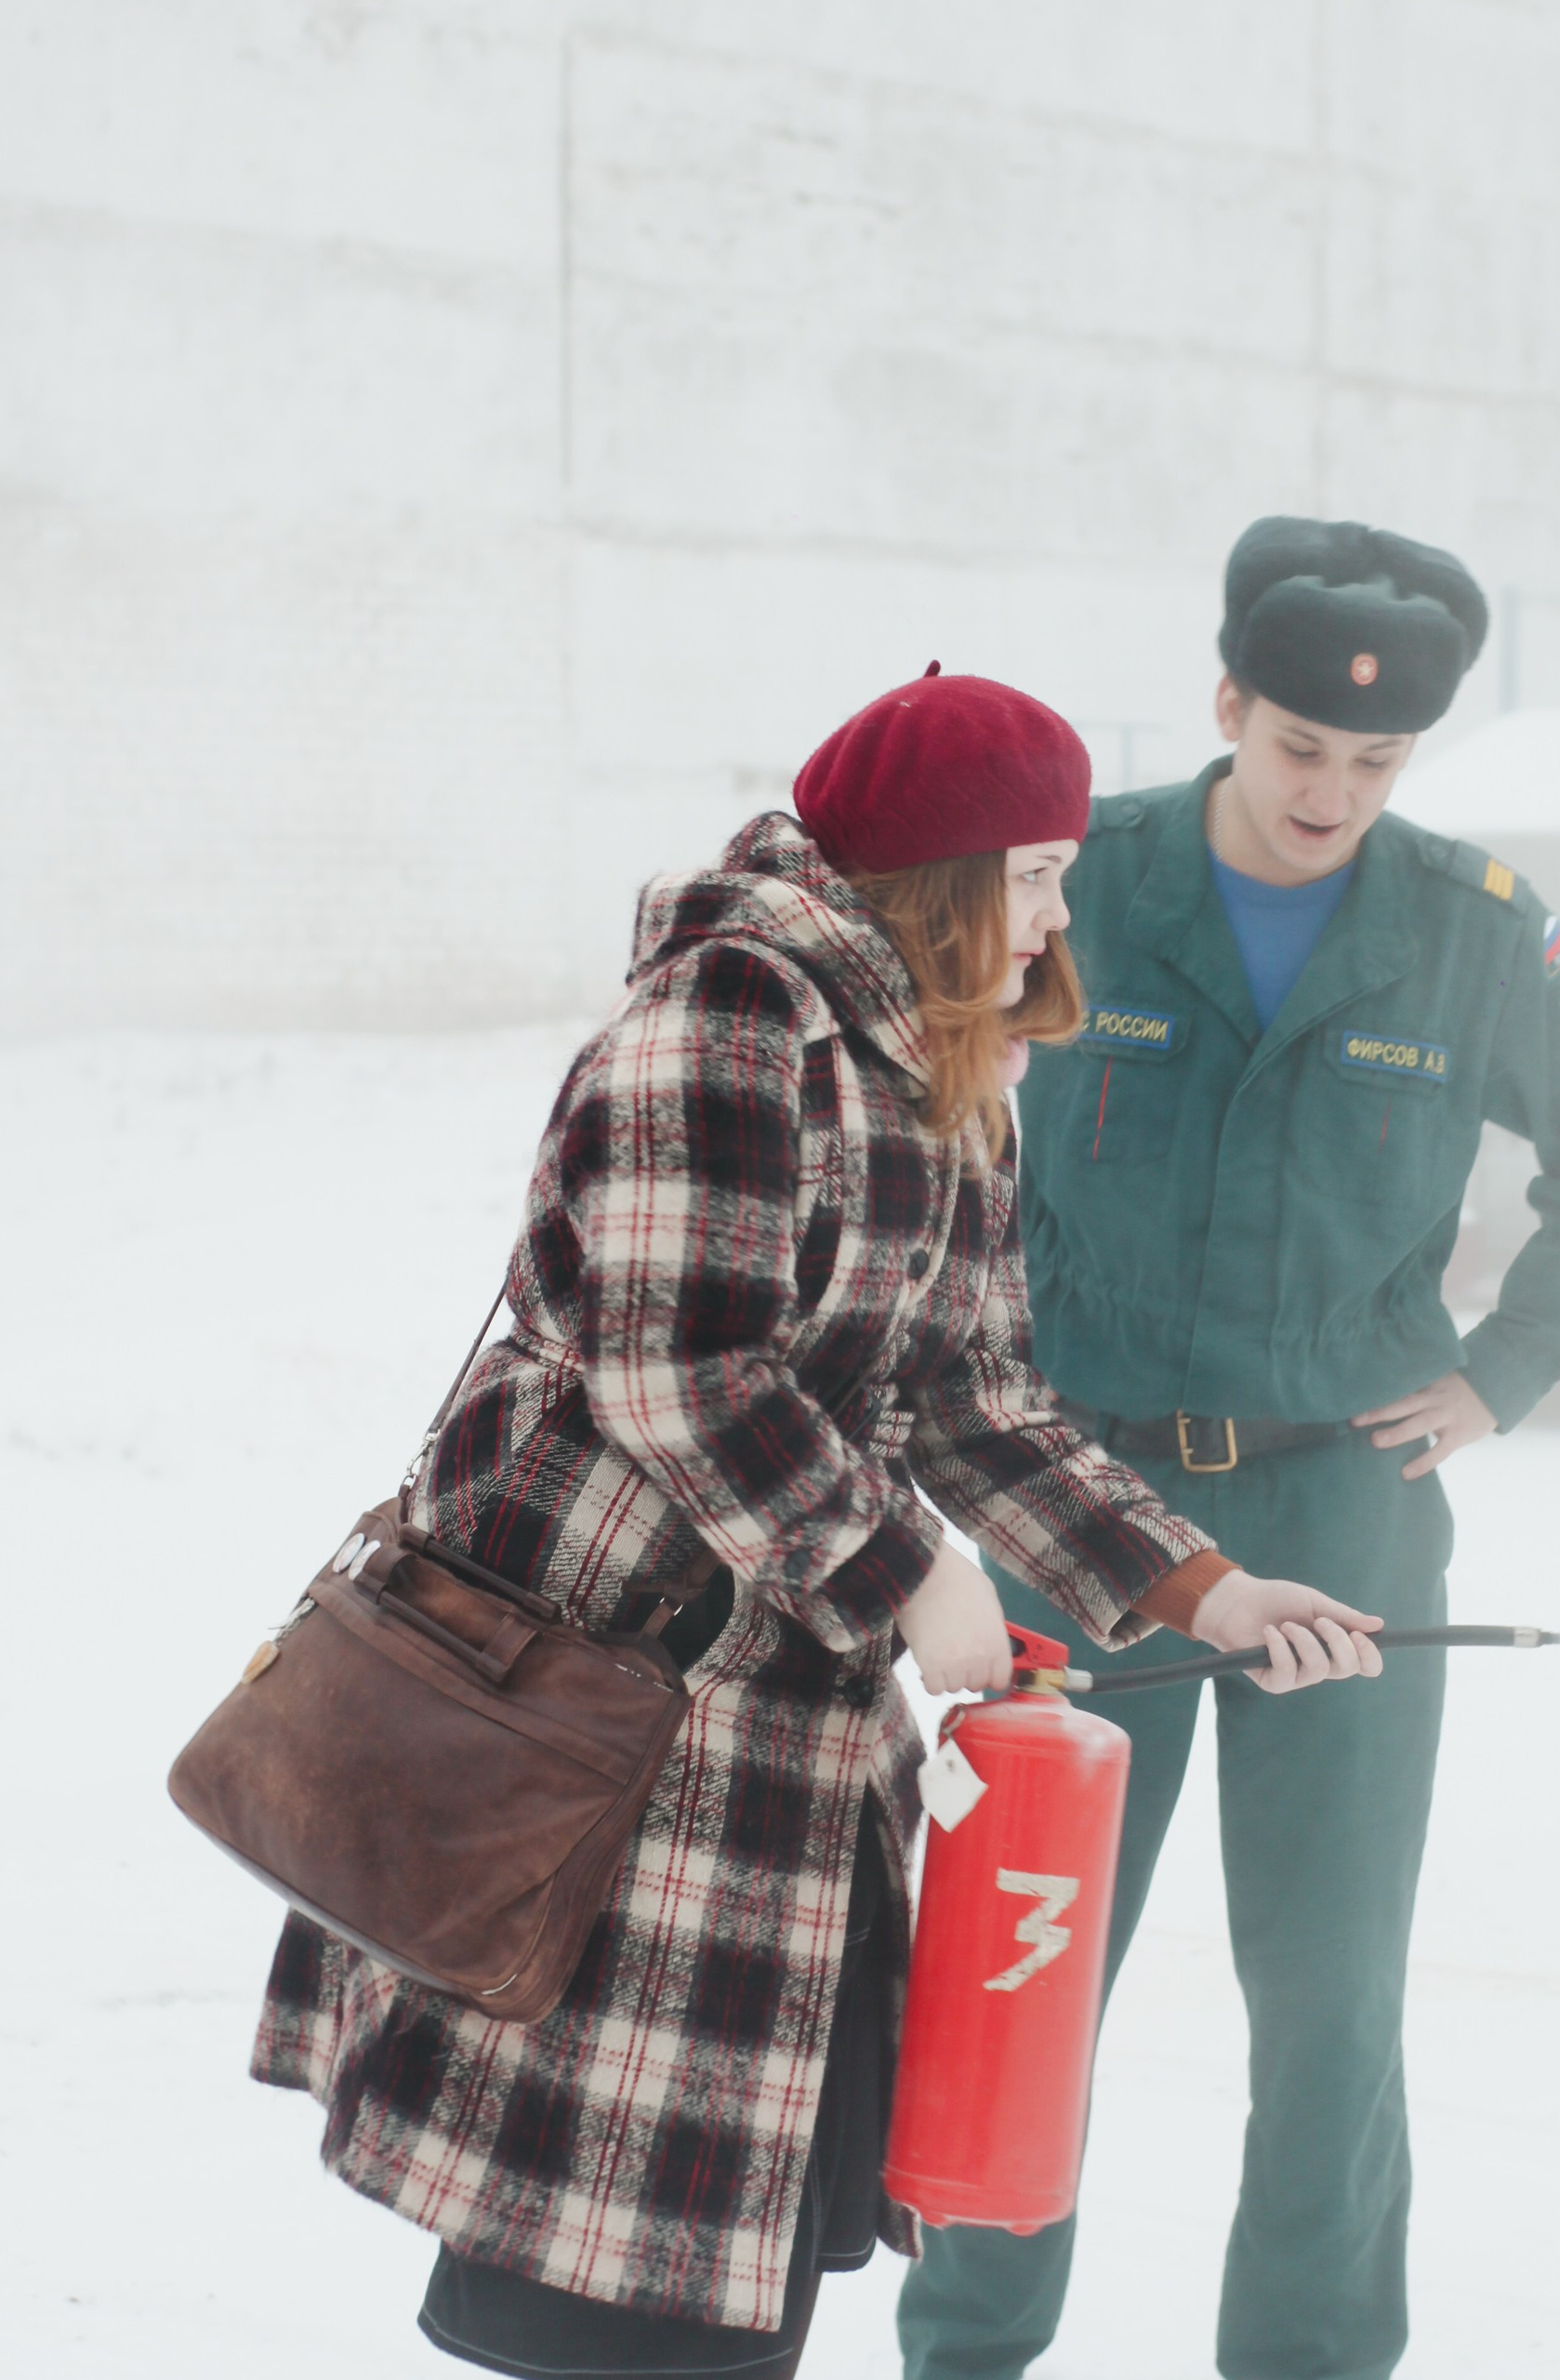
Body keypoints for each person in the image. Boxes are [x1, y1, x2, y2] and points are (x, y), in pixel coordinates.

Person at [247, 665, 1384, 2379]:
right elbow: (671, 1365)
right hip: (603, 1733)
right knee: (615, 2300)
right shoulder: (725, 1017)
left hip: (787, 1748)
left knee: (727, 2271)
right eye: (1028, 874)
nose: (1055, 912)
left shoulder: (951, 1074)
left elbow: (979, 1400)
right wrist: (909, 1567)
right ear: (933, 879)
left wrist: (1204, 1588)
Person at [897, 522, 1560, 2380]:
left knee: (1330, 1998)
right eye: (1299, 747)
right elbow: (910, 1105)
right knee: (1026, 1964)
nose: (1332, 791)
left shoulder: (1472, 927)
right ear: (1225, 704)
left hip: (1344, 1502)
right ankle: (962, 2352)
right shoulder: (1078, 884)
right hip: (1080, 1507)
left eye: (1376, 761)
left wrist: (1506, 1370)